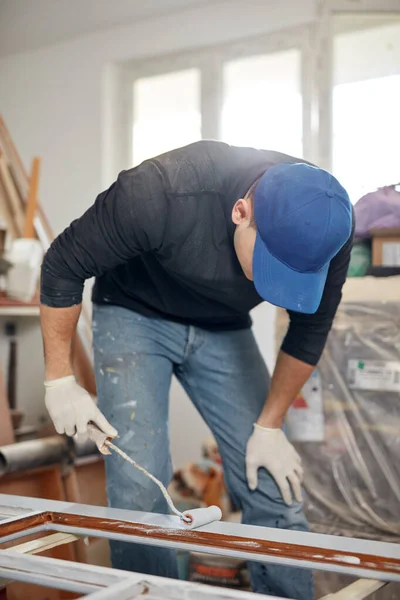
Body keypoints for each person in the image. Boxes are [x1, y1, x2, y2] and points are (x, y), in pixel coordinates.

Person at [40, 140, 353, 599]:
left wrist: (269, 426)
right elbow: (62, 265)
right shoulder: (160, 192)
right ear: (240, 212)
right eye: (271, 266)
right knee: (139, 489)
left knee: (271, 483)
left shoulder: (327, 228)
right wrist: (59, 377)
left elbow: (311, 328)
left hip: (223, 326)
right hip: (135, 312)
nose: (280, 286)